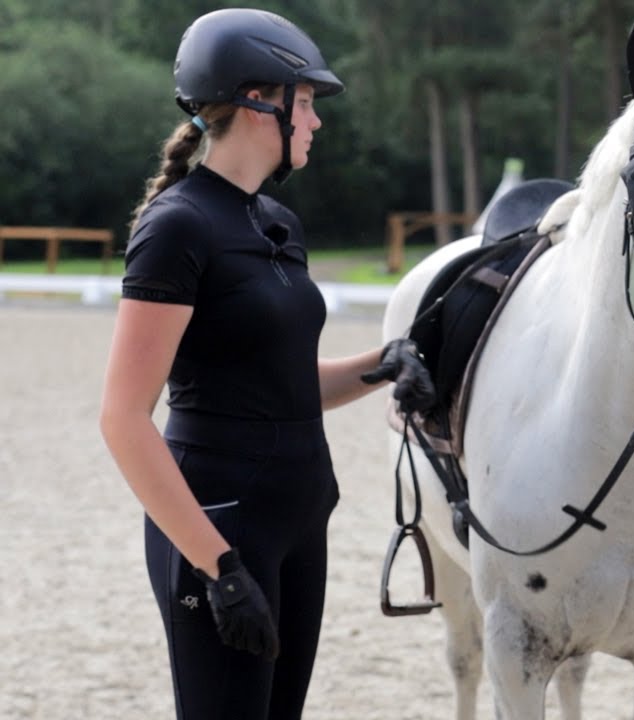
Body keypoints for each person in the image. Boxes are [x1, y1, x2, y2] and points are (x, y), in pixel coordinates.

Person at [98, 8, 433, 719]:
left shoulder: (278, 223)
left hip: (296, 524)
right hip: (220, 531)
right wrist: (216, 566)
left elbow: (281, 386)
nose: (314, 121)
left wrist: (384, 364)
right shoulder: (178, 227)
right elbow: (124, 419)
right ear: (258, 103)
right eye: (305, 101)